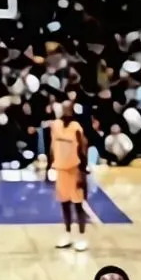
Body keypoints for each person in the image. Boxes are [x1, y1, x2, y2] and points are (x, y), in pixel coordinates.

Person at [50, 100, 89, 251]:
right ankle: (67, 234)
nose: (66, 111)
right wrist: (49, 167)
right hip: (61, 170)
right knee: (64, 205)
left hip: (74, 171)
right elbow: (52, 147)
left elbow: (83, 151)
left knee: (78, 206)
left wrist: (82, 173)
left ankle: (81, 237)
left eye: (68, 109)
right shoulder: (55, 125)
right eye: (64, 108)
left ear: (72, 110)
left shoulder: (76, 128)